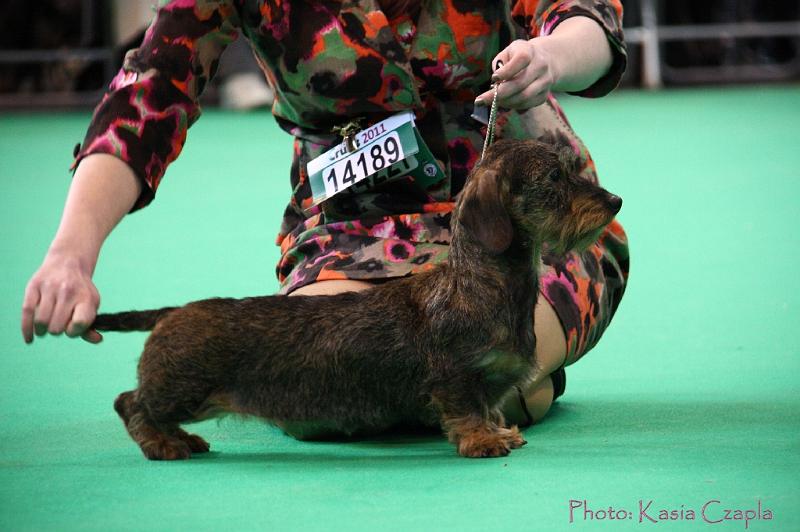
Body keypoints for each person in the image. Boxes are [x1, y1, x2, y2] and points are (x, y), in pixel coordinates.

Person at [21, 0, 629, 434]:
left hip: (523, 226)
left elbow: (590, 21)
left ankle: (523, 379)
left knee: (501, 381)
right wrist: (72, 251)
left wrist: (549, 56)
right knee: (315, 407)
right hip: (352, 229)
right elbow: (148, 95)